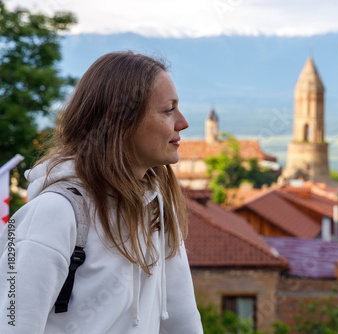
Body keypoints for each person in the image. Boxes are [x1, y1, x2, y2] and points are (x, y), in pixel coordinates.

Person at [0, 51, 203, 333]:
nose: (182, 122)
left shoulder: (157, 212)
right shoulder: (52, 214)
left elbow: (183, 323)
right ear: (121, 121)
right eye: (169, 110)